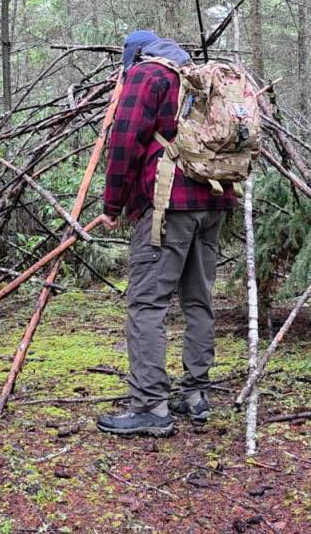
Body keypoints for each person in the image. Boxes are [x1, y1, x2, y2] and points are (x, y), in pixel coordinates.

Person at [94, 30, 235, 437]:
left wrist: (113, 205)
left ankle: (151, 407)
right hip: (214, 201)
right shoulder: (201, 76)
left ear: (133, 55)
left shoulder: (147, 75)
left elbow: (125, 142)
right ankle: (195, 395)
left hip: (167, 205)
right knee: (198, 299)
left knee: (147, 304)